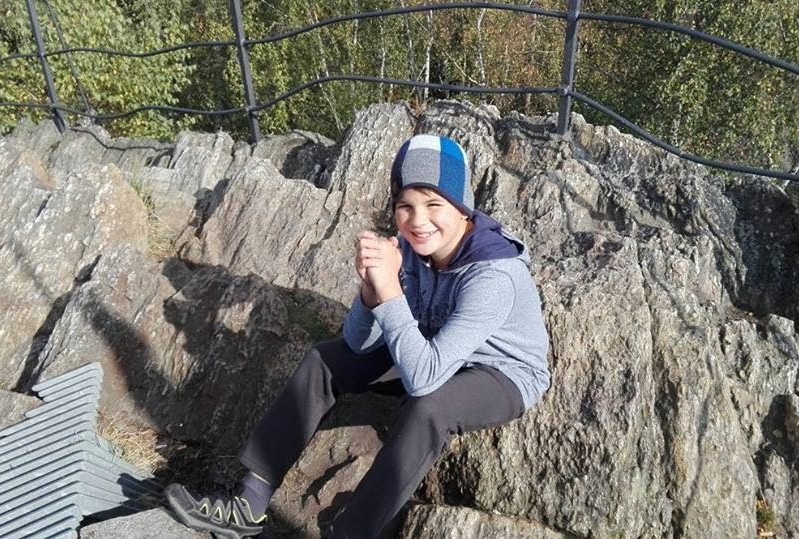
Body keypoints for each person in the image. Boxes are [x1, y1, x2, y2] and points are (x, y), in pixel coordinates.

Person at [165, 134, 551, 538]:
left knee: (429, 409)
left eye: (434, 204)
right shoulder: (411, 248)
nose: (418, 221)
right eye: (405, 206)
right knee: (326, 360)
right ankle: (249, 503)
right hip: (428, 344)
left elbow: (424, 381)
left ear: (461, 207)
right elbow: (357, 343)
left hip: (499, 372)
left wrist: (391, 292)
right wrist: (370, 291)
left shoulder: (494, 275)